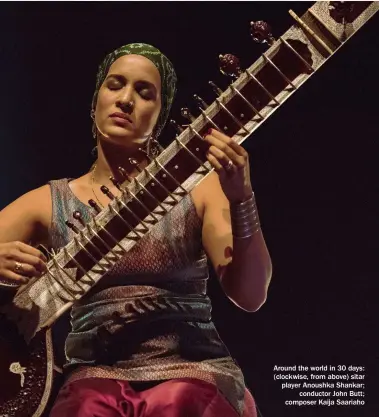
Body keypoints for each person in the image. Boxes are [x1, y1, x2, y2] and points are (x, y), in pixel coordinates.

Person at [0, 43, 272, 417]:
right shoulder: (48, 203)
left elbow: (251, 294)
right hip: (92, 379)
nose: (126, 99)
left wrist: (242, 198)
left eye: (145, 93)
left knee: (178, 403)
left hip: (191, 372)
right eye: (115, 85)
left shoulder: (199, 187)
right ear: (95, 98)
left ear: (161, 116)